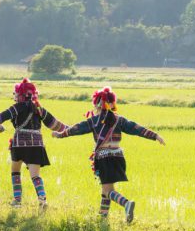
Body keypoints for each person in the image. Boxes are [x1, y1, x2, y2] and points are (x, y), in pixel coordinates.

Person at [53, 87, 165, 223]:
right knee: (107, 189)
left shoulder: (93, 121)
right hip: (118, 157)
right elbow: (137, 128)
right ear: (112, 103)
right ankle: (102, 218)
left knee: (108, 191)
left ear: (98, 103)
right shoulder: (120, 120)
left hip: (104, 158)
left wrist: (60, 135)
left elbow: (76, 129)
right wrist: (155, 136)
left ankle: (126, 204)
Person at [0, 78, 67, 210]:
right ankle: (42, 200)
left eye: (16, 94)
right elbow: (56, 124)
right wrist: (70, 130)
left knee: (15, 171)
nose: (15, 96)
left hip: (19, 144)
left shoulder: (16, 108)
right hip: (37, 145)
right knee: (35, 176)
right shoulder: (39, 109)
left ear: (21, 95)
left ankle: (17, 201)